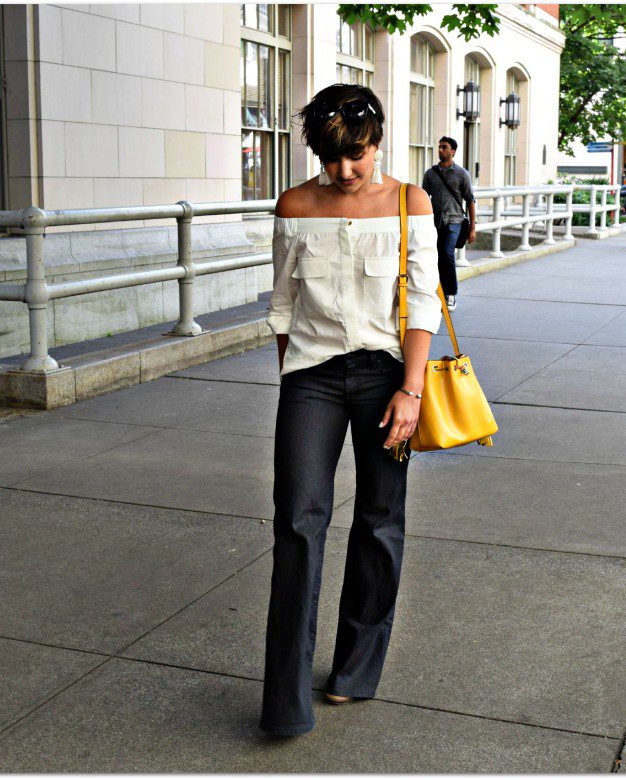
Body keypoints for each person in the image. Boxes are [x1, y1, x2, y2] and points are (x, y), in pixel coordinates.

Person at [261, 83, 442, 737]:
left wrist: (412, 390)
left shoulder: (409, 203)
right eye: (333, 158)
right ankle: (283, 701)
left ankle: (356, 669)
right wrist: (295, 369)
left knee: (378, 519)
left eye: (356, 156)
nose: (345, 171)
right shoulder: (295, 205)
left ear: (377, 141)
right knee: (298, 522)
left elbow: (423, 303)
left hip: (388, 380)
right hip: (310, 380)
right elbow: (283, 304)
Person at [421, 137, 475, 312]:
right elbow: (423, 199)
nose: (440, 150)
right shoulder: (430, 174)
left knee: (446, 252)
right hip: (435, 222)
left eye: (444, 147)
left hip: (455, 220)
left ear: (453, 151)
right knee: (435, 257)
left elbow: (471, 200)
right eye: (439, 147)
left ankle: (451, 293)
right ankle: (439, 292)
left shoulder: (461, 174)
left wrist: (472, 228)